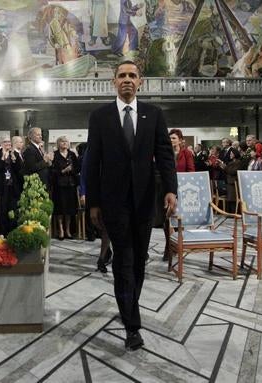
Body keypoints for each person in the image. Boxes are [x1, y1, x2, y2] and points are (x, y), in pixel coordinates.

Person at [86, 60, 177, 351]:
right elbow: (92, 162)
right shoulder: (100, 116)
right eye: (122, 75)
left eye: (132, 75)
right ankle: (132, 326)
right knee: (124, 261)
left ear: (141, 82)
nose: (127, 80)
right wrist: (93, 201)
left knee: (138, 262)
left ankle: (128, 305)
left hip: (144, 201)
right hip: (113, 202)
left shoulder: (153, 114)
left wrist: (171, 190)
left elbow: (165, 156)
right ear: (114, 81)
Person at [79, 144, 112, 272]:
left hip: (117, 194)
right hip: (99, 193)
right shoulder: (92, 148)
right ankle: (104, 254)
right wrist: (83, 192)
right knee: (102, 226)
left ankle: (102, 257)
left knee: (109, 228)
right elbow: (85, 171)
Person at [0, 135, 22, 235]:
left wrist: (14, 160)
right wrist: (3, 159)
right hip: (2, 187)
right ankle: (2, 233)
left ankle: (12, 232)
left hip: (13, 187)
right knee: (2, 210)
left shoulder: (14, 154)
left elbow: (19, 170)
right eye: (5, 142)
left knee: (13, 209)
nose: (8, 144)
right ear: (1, 143)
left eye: (9, 142)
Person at [52, 136, 80, 240]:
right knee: (60, 208)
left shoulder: (72, 154)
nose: (65, 143)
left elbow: (77, 168)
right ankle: (61, 230)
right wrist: (63, 171)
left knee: (69, 208)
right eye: (62, 141)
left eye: (66, 141)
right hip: (59, 185)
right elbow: (52, 171)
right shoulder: (55, 155)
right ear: (58, 143)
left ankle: (68, 230)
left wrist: (71, 170)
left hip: (71, 184)